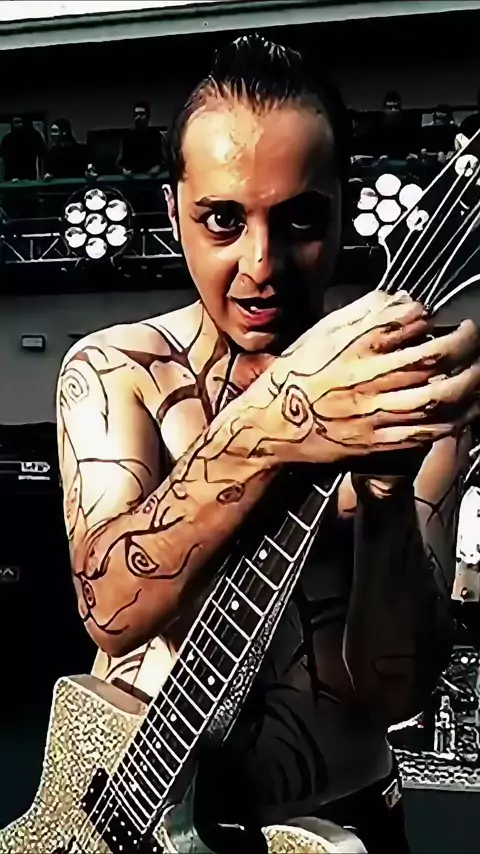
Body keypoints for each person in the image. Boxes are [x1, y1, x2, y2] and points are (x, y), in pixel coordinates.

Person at [56, 34, 480, 853]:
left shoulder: (406, 391)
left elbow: (396, 692)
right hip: (120, 810)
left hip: (334, 824)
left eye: (300, 220)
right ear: (173, 211)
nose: (263, 265)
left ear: (345, 205)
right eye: (222, 219)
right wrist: (270, 427)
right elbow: (110, 612)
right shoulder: (118, 370)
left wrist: (387, 497)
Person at [117, 100, 165, 176]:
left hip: (152, 178)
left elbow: (163, 160)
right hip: (132, 178)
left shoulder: (156, 135)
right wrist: (124, 170)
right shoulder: (127, 136)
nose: (138, 117)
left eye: (141, 114)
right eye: (136, 114)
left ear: (148, 116)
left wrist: (157, 168)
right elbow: (120, 162)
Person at [0, 115, 45, 181]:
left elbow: (42, 156)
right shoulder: (7, 138)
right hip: (12, 177)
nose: (19, 125)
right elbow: (2, 160)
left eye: (21, 122)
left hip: (28, 176)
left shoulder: (35, 136)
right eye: (16, 122)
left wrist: (42, 174)